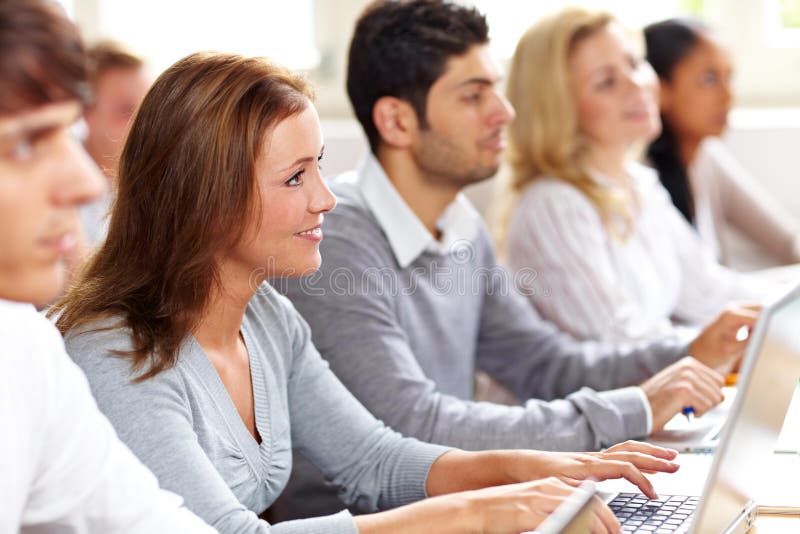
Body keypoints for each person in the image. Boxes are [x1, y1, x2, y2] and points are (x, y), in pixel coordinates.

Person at [53, 50, 680, 534]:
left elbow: (373, 461)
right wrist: (476, 512)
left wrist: (524, 468)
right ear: (204, 199)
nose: (325, 198)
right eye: (296, 176)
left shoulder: (268, 318)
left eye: (320, 166)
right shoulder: (117, 353)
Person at [271, 0, 756, 520]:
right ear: (397, 121)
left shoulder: (459, 226)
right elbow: (414, 424)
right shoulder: (337, 238)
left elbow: (544, 363)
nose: (505, 111)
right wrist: (632, 406)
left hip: (463, 509)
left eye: (496, 88)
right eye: (474, 95)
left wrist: (687, 354)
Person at [0, 0, 215, 531]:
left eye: (64, 134)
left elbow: (140, 520)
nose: (86, 184)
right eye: (26, 142)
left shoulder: (21, 348)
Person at [492, 7, 773, 345]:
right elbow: (620, 345)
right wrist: (716, 343)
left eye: (635, 63)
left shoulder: (639, 183)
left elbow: (710, 290)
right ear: (559, 107)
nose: (637, 86)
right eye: (607, 82)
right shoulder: (553, 206)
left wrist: (785, 302)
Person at [645, 17, 800, 266]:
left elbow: (787, 241)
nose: (728, 96)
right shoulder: (642, 181)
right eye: (709, 79)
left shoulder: (707, 158)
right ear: (660, 90)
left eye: (729, 77)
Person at [80, 40, 151, 247]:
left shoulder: (158, 183)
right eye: (126, 111)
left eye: (149, 108)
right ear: (86, 113)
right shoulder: (68, 197)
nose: (143, 124)